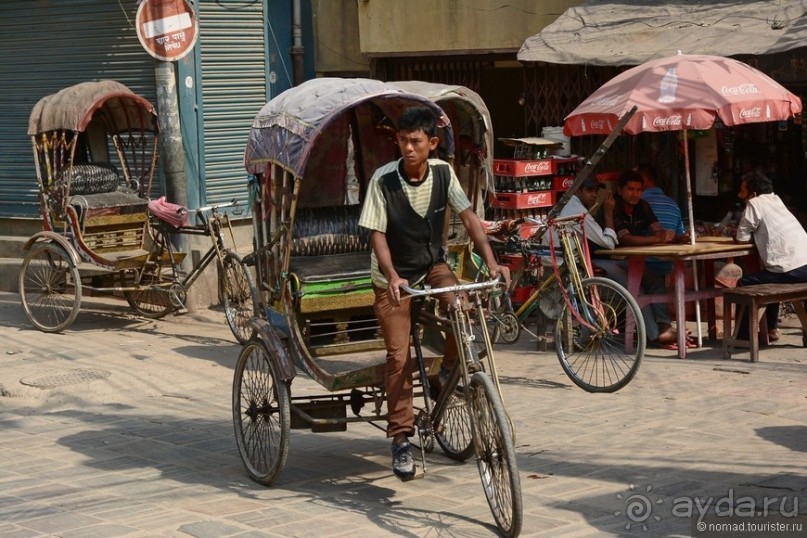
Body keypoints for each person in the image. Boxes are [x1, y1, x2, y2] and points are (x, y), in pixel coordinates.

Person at [358, 106, 508, 480]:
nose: (408, 148)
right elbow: (376, 234)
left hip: (432, 265)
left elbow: (470, 217)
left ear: (432, 144)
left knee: (465, 309)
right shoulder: (383, 180)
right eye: (403, 141)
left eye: (416, 141)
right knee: (398, 356)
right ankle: (401, 439)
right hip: (393, 277)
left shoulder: (443, 172)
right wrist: (392, 275)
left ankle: (452, 374)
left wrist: (491, 263)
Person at [613, 169, 683, 348]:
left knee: (656, 283)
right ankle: (655, 336)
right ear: (620, 190)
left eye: (638, 189)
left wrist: (667, 235)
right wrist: (657, 238)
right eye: (630, 189)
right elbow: (625, 239)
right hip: (610, 261)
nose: (635, 194)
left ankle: (664, 326)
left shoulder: (643, 206)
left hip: (631, 261)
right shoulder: (613, 206)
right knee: (637, 291)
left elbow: (656, 227)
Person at [734, 171, 807, 341]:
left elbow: (741, 238)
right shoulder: (776, 200)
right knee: (771, 278)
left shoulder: (755, 202)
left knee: (743, 283)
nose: (740, 195)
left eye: (742, 191)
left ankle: (742, 337)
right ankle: (772, 329)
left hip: (790, 269)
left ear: (753, 193)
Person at [544, 175, 625, 282]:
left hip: (553, 263)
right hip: (560, 266)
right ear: (577, 191)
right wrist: (608, 213)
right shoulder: (578, 211)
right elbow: (609, 244)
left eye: (596, 191)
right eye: (589, 190)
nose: (594, 195)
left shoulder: (567, 204)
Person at [638, 164, 688, 275]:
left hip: (641, 265)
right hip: (667, 266)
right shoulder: (673, 204)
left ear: (644, 182)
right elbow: (680, 236)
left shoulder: (638, 203)